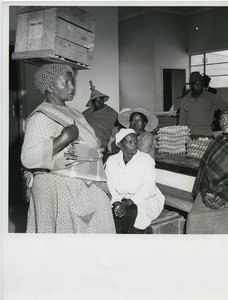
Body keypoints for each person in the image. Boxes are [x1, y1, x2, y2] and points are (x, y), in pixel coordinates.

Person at [21, 63, 115, 233]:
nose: (71, 87)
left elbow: (89, 141)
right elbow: (29, 157)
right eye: (65, 83)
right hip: (60, 190)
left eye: (72, 82)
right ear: (50, 87)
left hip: (86, 183)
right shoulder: (40, 116)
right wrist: (63, 138)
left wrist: (95, 150)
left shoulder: (76, 113)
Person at [186, 105, 228, 234]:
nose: (224, 122)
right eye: (222, 119)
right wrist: (204, 191)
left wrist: (225, 196)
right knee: (193, 218)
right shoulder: (216, 142)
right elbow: (205, 173)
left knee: (220, 228)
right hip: (210, 192)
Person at [105, 128, 165, 234]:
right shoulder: (112, 161)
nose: (134, 145)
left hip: (145, 199)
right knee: (110, 212)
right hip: (119, 197)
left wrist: (128, 203)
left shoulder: (145, 160)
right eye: (130, 142)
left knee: (131, 212)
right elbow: (109, 187)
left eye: (135, 141)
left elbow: (148, 189)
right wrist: (115, 203)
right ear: (120, 145)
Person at [179, 71, 228, 139]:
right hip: (190, 136)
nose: (200, 86)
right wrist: (181, 137)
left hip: (207, 135)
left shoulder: (211, 97)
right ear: (191, 86)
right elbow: (182, 121)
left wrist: (219, 122)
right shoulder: (185, 100)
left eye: (201, 84)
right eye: (197, 84)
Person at [83, 81, 118, 152]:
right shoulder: (86, 113)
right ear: (92, 102)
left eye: (101, 100)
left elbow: (118, 128)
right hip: (88, 144)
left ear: (103, 100)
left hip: (104, 145)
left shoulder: (111, 113)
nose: (99, 102)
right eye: (96, 101)